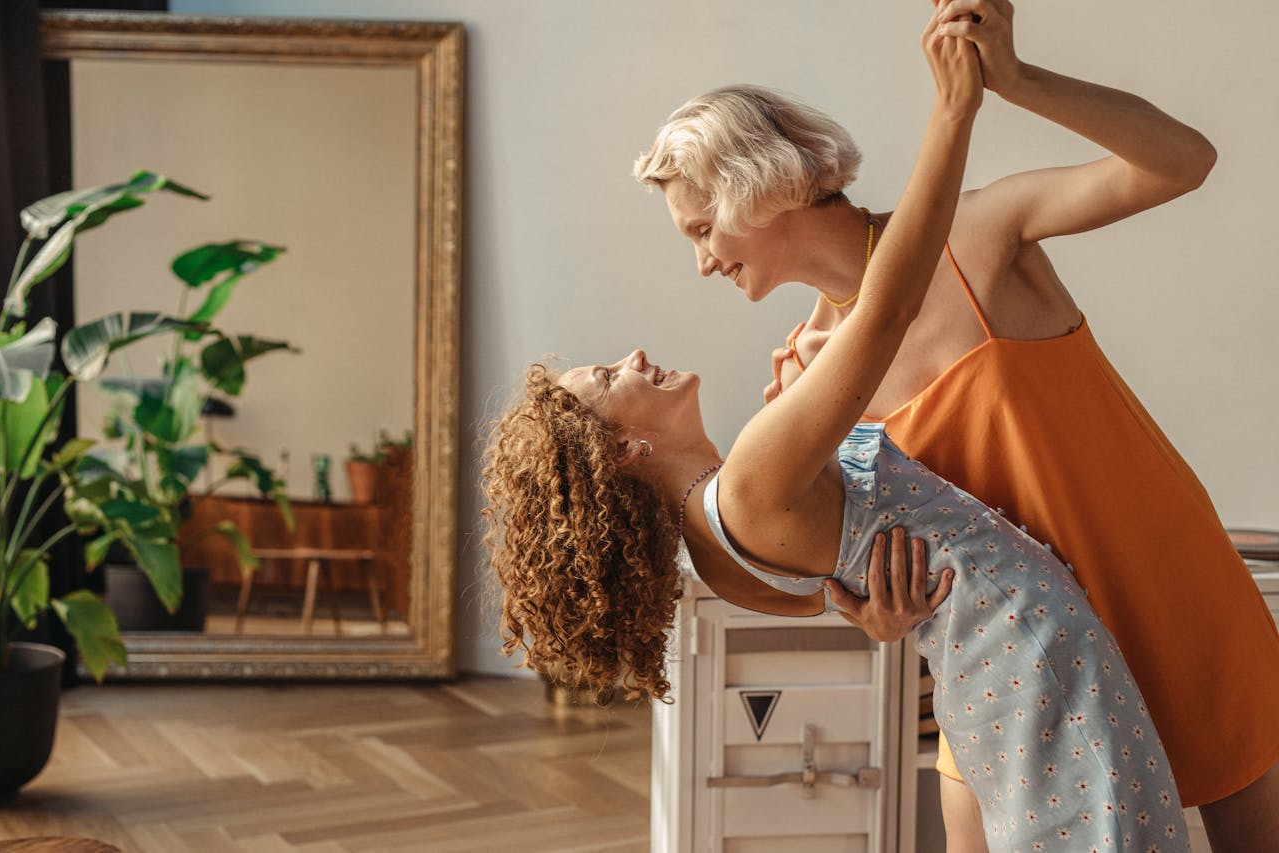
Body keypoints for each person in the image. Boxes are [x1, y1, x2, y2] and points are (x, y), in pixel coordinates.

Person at [486, 20, 1189, 849]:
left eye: (702, 229)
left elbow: (864, 591)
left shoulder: (718, 546)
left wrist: (886, 614)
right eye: (610, 377)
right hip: (1032, 661)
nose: (632, 355)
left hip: (996, 672)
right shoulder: (750, 479)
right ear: (623, 451)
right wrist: (953, 111)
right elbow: (886, 310)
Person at [632, 2, 1279, 849]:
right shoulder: (799, 376)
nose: (702, 261)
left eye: (701, 227)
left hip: (1164, 590)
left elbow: (1185, 161)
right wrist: (878, 615)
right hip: (1011, 663)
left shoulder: (975, 235)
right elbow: (858, 560)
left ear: (760, 186)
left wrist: (1016, 79)